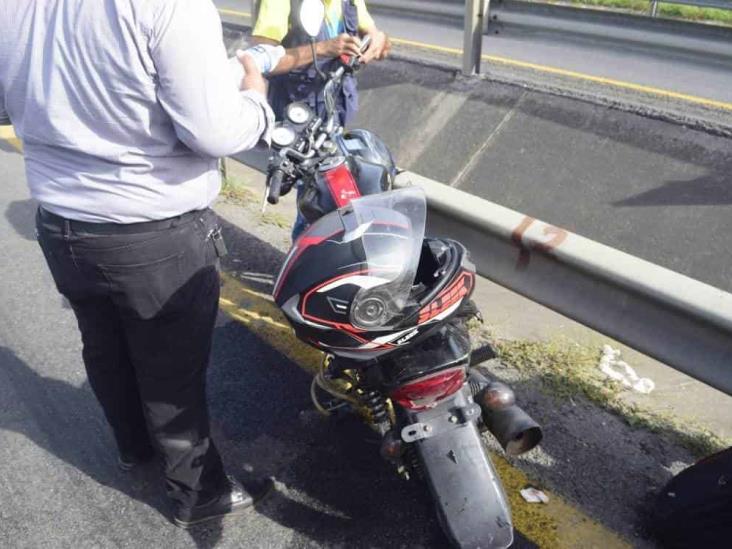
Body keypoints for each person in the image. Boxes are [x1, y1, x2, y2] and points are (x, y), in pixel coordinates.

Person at [0, 0, 273, 528]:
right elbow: (214, 132)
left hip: (61, 223)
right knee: (172, 374)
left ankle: (133, 448)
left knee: (104, 347)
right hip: (151, 231)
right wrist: (256, 99)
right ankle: (199, 497)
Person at [252, 0, 391, 240]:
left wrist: (378, 40)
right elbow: (259, 60)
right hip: (298, 119)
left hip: (333, 115)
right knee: (313, 204)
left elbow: (378, 39)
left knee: (333, 200)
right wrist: (324, 48)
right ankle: (304, 267)